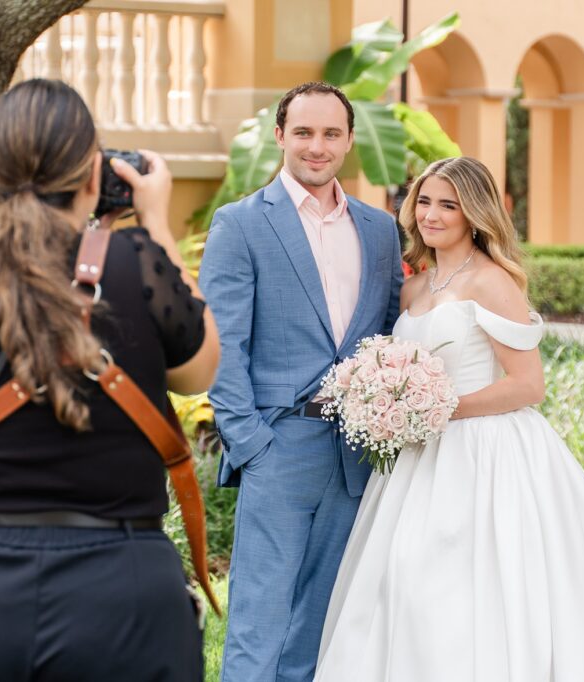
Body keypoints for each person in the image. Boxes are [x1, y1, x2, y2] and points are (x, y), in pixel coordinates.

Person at [314, 156, 584, 681]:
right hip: (417, 459)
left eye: (448, 205)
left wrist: (434, 409)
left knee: (478, 580)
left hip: (485, 451)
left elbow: (529, 385)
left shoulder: (493, 282)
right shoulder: (413, 289)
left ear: (475, 214)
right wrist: (389, 404)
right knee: (402, 576)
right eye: (424, 201)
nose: (431, 214)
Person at [0, 78, 219, 681]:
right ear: (93, 176)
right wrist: (154, 220)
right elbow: (201, 368)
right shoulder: (134, 264)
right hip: (124, 589)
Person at [199, 81, 404, 681]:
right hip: (278, 447)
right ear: (280, 135)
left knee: (322, 624)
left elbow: (390, 333)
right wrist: (251, 446)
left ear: (349, 141)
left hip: (356, 454)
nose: (318, 146)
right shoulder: (240, 224)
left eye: (331, 134)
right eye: (305, 133)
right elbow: (223, 345)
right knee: (258, 626)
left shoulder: (378, 229)